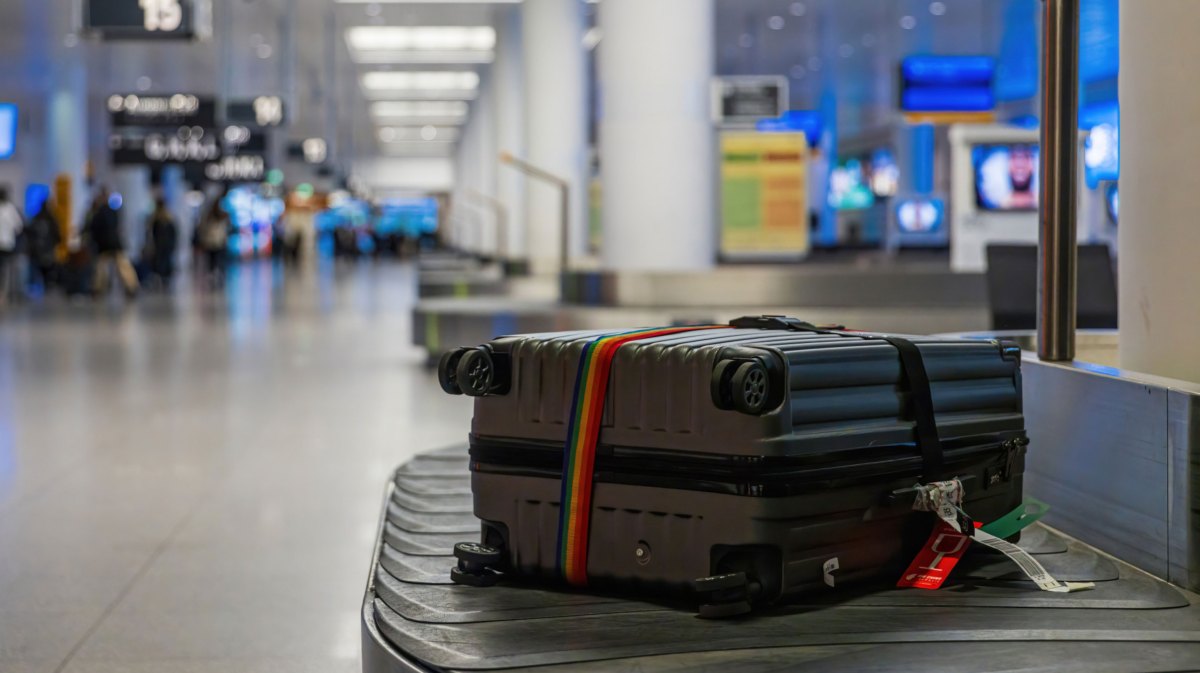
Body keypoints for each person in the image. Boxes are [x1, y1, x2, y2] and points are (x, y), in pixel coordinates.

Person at [89, 188, 139, 298]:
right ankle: (131, 286)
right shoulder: (114, 212)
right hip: (115, 243)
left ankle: (97, 289)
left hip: (104, 245)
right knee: (123, 266)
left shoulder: (98, 213)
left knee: (101, 268)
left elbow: (93, 229)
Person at [24, 204, 60, 294]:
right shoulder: (51, 219)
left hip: (38, 251)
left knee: (39, 269)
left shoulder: (36, 218)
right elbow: (57, 234)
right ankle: (46, 286)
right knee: (47, 270)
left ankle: (39, 285)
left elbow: (29, 233)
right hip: (47, 249)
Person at [145, 198, 178, 289]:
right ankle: (164, 279)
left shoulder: (156, 219)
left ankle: (162, 279)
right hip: (166, 245)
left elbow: (151, 234)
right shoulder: (168, 218)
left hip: (161, 245)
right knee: (164, 262)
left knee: (161, 262)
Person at [0, 186, 24, 306]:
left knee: (5, 270)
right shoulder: (11, 209)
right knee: (6, 270)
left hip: (6, 244)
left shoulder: (10, 209)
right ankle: (5, 294)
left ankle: (5, 293)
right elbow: (19, 227)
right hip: (8, 244)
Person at [196, 200, 229, 282]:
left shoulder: (221, 217)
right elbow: (203, 229)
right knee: (213, 259)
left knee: (216, 259)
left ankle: (217, 272)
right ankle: (213, 273)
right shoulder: (209, 217)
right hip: (213, 242)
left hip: (216, 241)